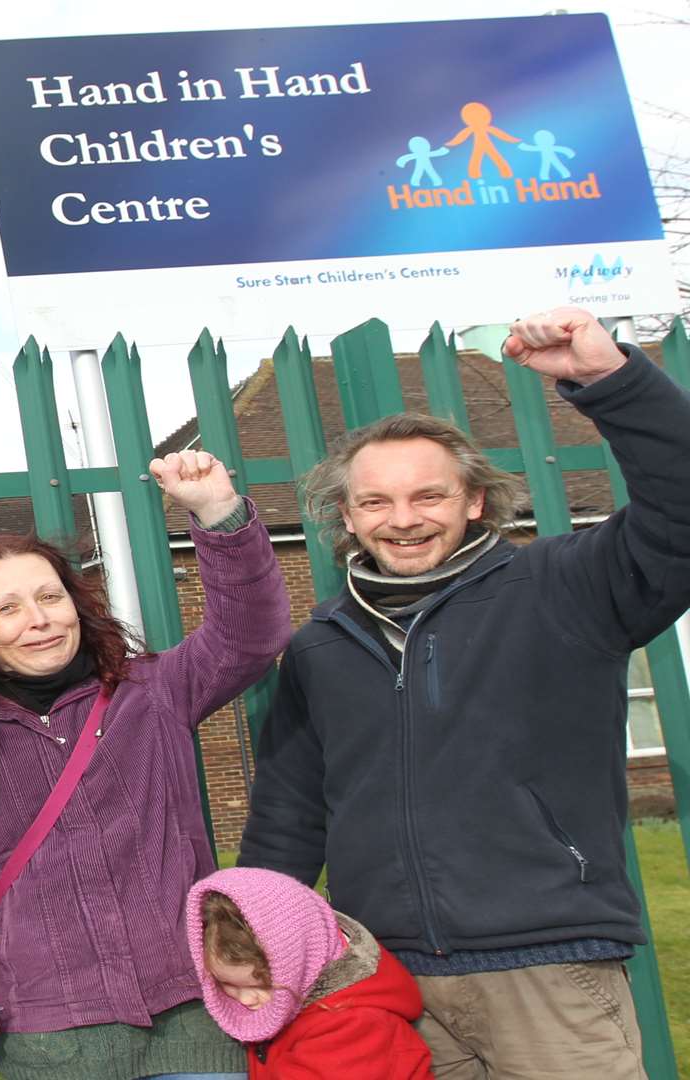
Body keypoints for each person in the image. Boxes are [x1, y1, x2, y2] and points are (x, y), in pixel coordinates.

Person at [239, 306, 690, 1079]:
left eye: (429, 497)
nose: (403, 521)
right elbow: (291, 811)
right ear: (345, 516)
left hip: (551, 969)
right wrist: (255, 940)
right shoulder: (319, 645)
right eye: (376, 503)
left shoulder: (565, 587)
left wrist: (612, 380)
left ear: (475, 500)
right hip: (390, 985)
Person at [0, 450, 291, 1080]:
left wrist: (220, 516)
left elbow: (251, 638)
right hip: (49, 1029)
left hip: (190, 1006)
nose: (39, 619)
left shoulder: (155, 691)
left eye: (50, 596)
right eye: (9, 608)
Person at [186, 867, 433, 1079]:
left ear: (299, 963)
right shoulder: (290, 999)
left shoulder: (352, 1024)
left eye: (261, 985)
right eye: (226, 983)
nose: (246, 999)